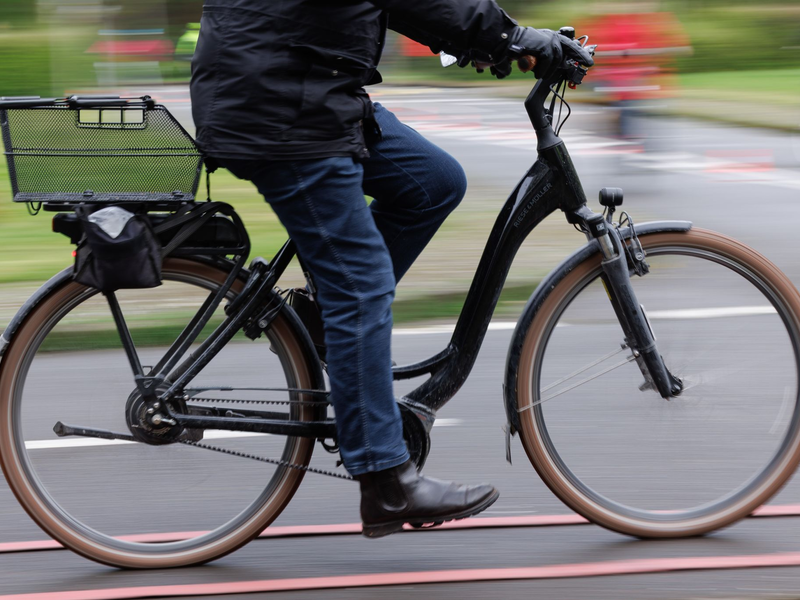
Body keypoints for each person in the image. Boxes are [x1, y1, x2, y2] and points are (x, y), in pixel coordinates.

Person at [190, 0, 593, 539]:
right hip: (283, 106)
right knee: (360, 285)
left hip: (299, 86)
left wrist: (490, 43)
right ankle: (386, 479)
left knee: (434, 181)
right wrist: (516, 35)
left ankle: (316, 320)